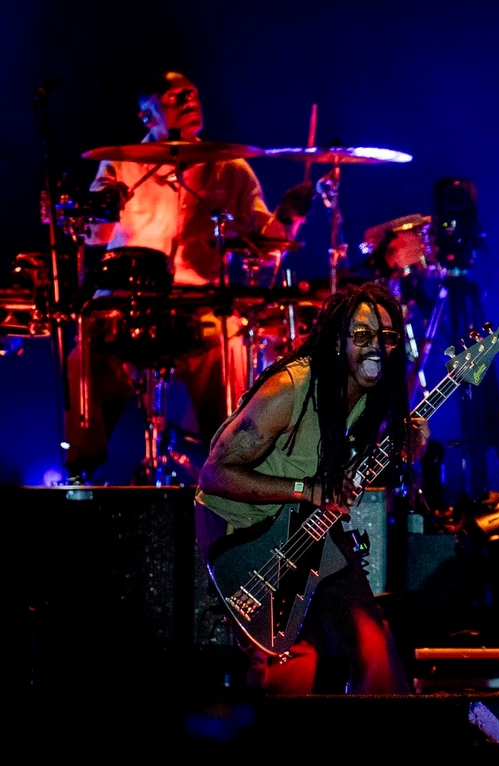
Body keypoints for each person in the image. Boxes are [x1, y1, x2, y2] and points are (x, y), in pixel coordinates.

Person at [64, 69, 314, 481]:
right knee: (84, 356)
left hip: (200, 306)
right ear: (147, 116)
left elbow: (265, 248)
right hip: (128, 302)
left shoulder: (229, 167)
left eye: (191, 93)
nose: (186, 99)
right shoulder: (121, 162)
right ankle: (82, 474)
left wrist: (288, 216)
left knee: (233, 342)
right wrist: (105, 205)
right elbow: (95, 234)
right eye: (172, 96)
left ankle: (233, 469)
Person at [195, 281, 427, 695]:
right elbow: (214, 476)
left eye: (387, 337)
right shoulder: (290, 389)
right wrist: (307, 489)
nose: (376, 347)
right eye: (362, 335)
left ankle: (392, 733)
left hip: (309, 525)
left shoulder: (374, 393)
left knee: (373, 643)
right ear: (338, 341)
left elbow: (350, 464)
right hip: (244, 532)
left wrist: (405, 444)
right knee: (292, 660)